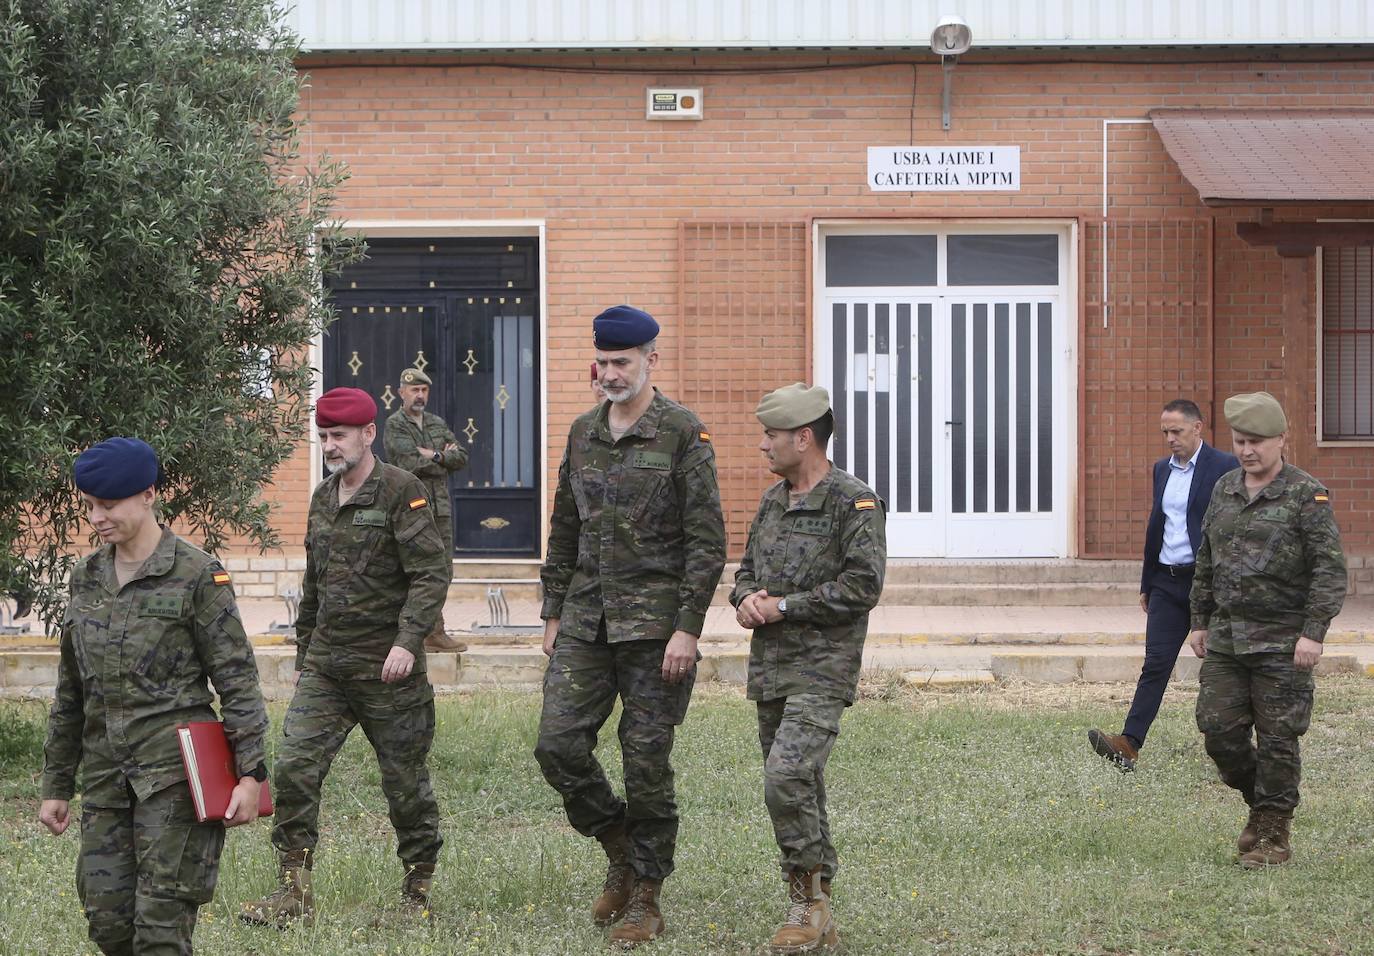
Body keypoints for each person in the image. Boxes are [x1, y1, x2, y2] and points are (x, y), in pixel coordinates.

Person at [534, 305, 726, 949]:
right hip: (587, 621)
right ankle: (618, 842)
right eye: (604, 363)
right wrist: (554, 610)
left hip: (655, 632)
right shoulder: (582, 431)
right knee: (556, 746)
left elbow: (707, 542)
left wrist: (688, 628)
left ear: (651, 359)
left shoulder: (682, 434)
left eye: (623, 362)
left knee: (646, 762)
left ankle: (646, 892)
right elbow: (564, 526)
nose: (611, 373)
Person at [40, 437, 269, 955]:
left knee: (161, 930)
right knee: (107, 921)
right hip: (105, 778)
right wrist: (57, 783)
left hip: (174, 776)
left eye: (109, 504)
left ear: (148, 494)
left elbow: (237, 681)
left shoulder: (197, 575)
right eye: (90, 505)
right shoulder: (87, 578)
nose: (97, 517)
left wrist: (252, 775)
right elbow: (71, 691)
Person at [241, 387, 451, 925]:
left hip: (388, 671)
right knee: (294, 768)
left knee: (405, 782)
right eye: (325, 437)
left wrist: (408, 642)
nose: (331, 446)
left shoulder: (402, 491)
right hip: (329, 668)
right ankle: (294, 892)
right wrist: (305, 652)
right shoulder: (321, 496)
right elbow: (313, 584)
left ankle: (417, 894)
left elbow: (430, 574)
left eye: (340, 436)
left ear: (368, 434)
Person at [731, 384, 887, 955]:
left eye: (770, 436)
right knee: (802, 784)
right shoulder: (773, 501)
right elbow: (746, 571)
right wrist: (745, 599)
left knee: (786, 776)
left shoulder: (855, 501)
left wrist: (786, 606)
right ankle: (818, 900)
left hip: (824, 666)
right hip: (771, 667)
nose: (762, 445)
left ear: (804, 438)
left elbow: (862, 585)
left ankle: (807, 899)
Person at [1189, 391, 1346, 868]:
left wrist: (1313, 632)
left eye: (1256, 441)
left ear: (1282, 439)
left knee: (1279, 739)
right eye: (1239, 441)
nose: (1246, 450)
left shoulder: (1307, 494)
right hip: (1228, 640)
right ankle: (1262, 805)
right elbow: (1206, 558)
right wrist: (1199, 620)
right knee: (1217, 730)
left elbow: (1328, 569)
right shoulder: (1224, 489)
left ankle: (1273, 837)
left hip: (1284, 641)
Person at [1089, 400, 1238, 771]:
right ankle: (1129, 744)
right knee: (1155, 663)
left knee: (1225, 666)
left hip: (1210, 584)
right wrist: (1147, 582)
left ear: (1198, 428)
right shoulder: (1161, 470)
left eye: (1177, 432)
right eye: (1165, 433)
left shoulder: (1225, 466)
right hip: (1167, 583)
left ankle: (1237, 748)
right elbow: (1158, 526)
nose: (1170, 439)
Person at [383, 366, 468, 651]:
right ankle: (419, 630)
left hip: (439, 508)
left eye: (424, 390)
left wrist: (435, 454)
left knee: (443, 570)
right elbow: (406, 462)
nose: (419, 396)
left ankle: (433, 631)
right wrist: (443, 458)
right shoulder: (395, 425)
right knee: (415, 569)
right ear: (401, 393)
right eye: (414, 390)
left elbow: (461, 457)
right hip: (411, 507)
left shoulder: (435, 422)